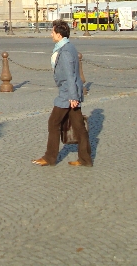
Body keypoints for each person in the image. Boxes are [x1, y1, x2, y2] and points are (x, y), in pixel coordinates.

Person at [33, 19, 92, 167]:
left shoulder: (64, 51)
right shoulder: (69, 46)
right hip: (71, 92)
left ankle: (49, 157)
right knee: (79, 127)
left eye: (52, 32)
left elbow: (70, 76)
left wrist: (72, 97)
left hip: (67, 93)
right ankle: (85, 159)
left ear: (59, 35)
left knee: (53, 122)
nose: (51, 34)